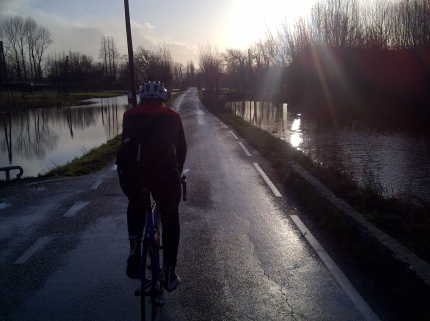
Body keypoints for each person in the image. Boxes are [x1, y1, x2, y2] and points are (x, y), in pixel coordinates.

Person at [116, 80, 187, 292]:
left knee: (136, 204)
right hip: (165, 175)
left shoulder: (129, 116)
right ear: (163, 98)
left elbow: (125, 145)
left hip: (134, 177)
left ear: (142, 97)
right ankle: (169, 271)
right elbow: (181, 149)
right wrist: (178, 171)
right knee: (170, 216)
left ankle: (135, 247)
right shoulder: (173, 117)